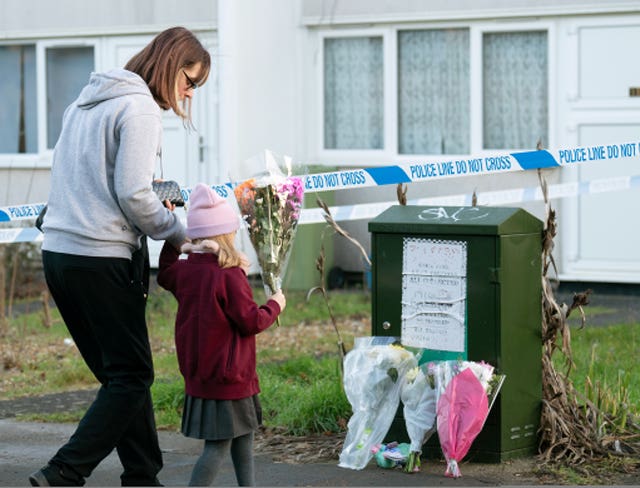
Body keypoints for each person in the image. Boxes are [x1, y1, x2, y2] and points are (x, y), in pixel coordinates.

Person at [30, 27, 211, 487]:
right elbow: (133, 196)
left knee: (123, 378)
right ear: (170, 65)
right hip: (104, 258)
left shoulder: (82, 104)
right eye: (190, 81)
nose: (190, 93)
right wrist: (179, 232)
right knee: (131, 376)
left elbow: (78, 183)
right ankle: (64, 473)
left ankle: (142, 476)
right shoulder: (140, 109)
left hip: (59, 255)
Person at [156, 183, 286, 487]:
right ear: (227, 234)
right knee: (219, 446)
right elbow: (250, 322)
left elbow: (164, 271)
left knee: (243, 436)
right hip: (229, 376)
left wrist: (176, 242)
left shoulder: (187, 270)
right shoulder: (229, 275)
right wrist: (275, 305)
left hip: (204, 373)